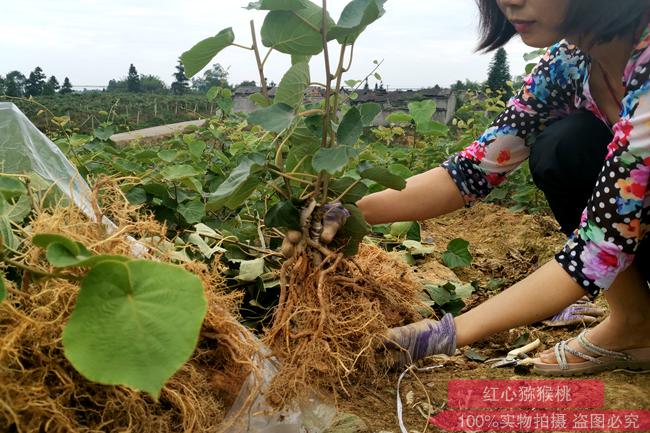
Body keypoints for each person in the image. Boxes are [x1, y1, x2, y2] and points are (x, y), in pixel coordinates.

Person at [353, 0, 650, 374]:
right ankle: (634, 324)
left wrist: (444, 334)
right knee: (566, 148)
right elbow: (472, 171)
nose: (508, 2)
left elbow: (598, 249)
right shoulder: (572, 62)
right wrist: (348, 211)